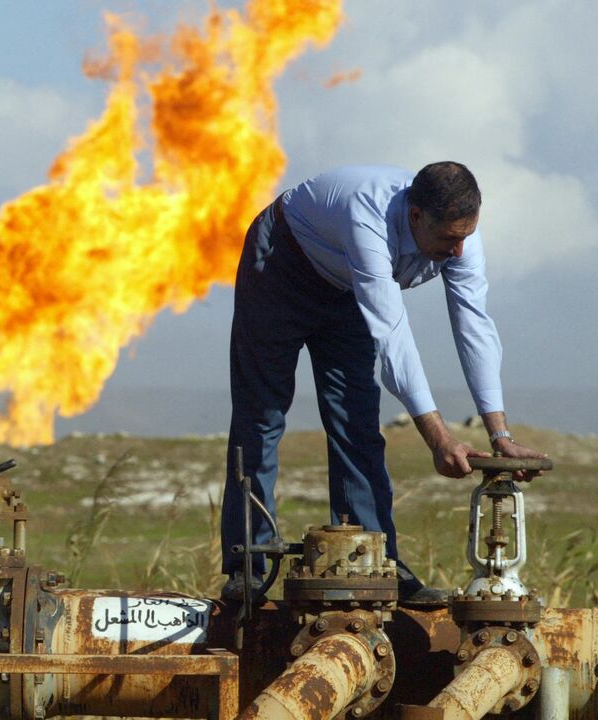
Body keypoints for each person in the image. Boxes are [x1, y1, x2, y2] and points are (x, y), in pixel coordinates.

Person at [220, 162, 547, 606]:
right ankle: (247, 568)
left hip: (346, 289)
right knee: (262, 417)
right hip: (281, 267)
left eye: (466, 236)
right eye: (449, 238)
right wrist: (439, 438)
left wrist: (499, 434)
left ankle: (375, 568)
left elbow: (474, 325)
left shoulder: (460, 239)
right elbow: (393, 336)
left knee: (357, 425)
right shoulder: (367, 216)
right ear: (416, 216)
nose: (458, 250)